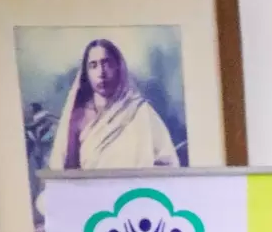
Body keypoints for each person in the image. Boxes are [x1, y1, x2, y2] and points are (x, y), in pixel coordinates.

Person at [49, 37, 180, 173]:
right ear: (86, 73)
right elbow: (66, 171)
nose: (101, 73)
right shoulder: (77, 118)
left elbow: (168, 163)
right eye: (93, 65)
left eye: (107, 63)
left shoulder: (140, 112)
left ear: (118, 67)